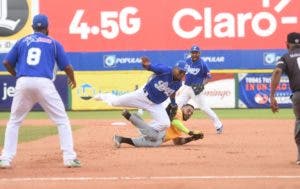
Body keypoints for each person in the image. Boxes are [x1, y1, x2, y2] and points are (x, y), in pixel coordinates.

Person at [0, 14, 80, 168]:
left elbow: (6, 62)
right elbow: (67, 67)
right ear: (47, 28)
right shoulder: (53, 43)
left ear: (32, 28)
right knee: (62, 120)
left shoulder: (22, 41)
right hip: (44, 82)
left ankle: (5, 158)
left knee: (14, 121)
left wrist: (17, 76)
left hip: (23, 81)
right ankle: (69, 157)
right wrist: (73, 79)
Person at [93, 57, 186, 147]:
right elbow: (152, 68)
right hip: (142, 96)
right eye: (180, 71)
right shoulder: (165, 70)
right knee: (115, 102)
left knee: (165, 124)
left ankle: (145, 129)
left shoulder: (178, 83)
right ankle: (104, 96)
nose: (182, 74)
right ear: (175, 68)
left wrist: (173, 103)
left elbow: (172, 93)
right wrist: (147, 66)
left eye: (184, 72)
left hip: (155, 105)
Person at [176, 45, 223, 134]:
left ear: (199, 53)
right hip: (186, 87)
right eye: (193, 52)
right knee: (177, 105)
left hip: (196, 89)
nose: (194, 54)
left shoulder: (202, 64)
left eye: (196, 53)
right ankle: (172, 124)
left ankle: (219, 125)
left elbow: (209, 76)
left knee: (204, 107)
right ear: (191, 53)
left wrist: (202, 85)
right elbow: (182, 71)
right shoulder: (187, 61)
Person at [270, 32, 300, 165]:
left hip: (298, 94)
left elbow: (277, 71)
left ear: (287, 44)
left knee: (299, 121)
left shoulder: (286, 57)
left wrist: (272, 96)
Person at [113, 104, 204, 148]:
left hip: (157, 137)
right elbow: (174, 122)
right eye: (188, 110)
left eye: (191, 113)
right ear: (182, 108)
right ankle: (129, 116)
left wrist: (192, 138)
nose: (189, 113)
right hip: (158, 130)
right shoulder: (178, 112)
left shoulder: (180, 129)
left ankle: (121, 139)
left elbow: (177, 142)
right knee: (156, 136)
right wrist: (189, 132)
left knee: (155, 143)